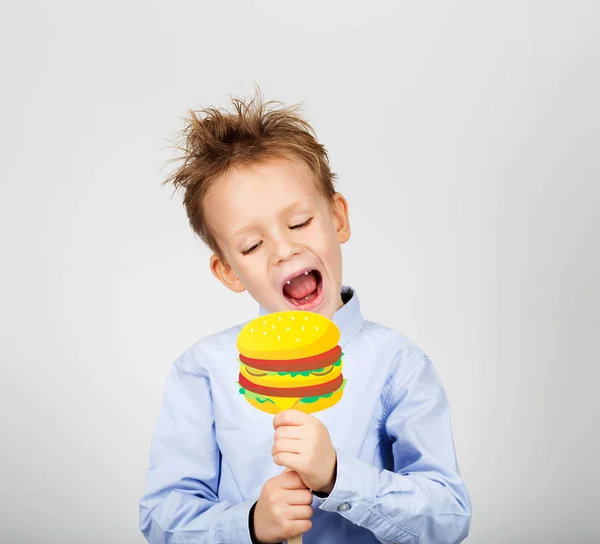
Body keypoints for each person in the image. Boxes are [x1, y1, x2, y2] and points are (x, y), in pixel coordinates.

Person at [139, 90, 472, 544]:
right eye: (252, 246)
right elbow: (162, 517)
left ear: (337, 218)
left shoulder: (399, 365)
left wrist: (339, 477)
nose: (284, 250)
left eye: (298, 223)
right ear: (228, 271)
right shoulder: (202, 370)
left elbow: (449, 518)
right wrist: (250, 524)